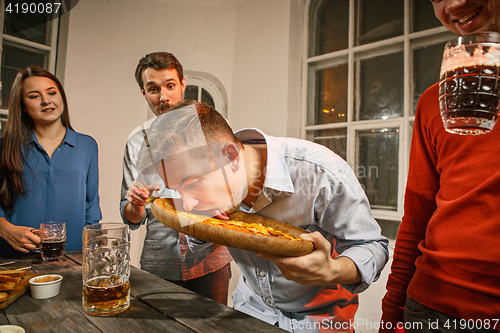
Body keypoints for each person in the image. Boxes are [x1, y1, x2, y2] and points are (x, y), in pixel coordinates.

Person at [135, 100, 389, 332]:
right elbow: (197, 246)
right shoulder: (204, 188)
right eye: (178, 188)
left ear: (231, 157)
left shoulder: (321, 172)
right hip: (248, 311)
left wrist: (333, 270)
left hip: (321, 321)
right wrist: (203, 227)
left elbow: (372, 246)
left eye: (191, 184)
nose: (187, 204)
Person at [380, 1, 500, 332]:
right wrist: (391, 312)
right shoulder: (435, 101)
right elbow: (417, 214)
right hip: (431, 309)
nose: (454, 4)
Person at [120, 52, 232, 305]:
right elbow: (131, 218)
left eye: (170, 86)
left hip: (210, 260)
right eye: (153, 89)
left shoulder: (213, 128)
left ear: (183, 84)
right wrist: (136, 203)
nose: (163, 97)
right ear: (143, 92)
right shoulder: (136, 141)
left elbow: (233, 192)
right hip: (159, 263)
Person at [0, 65, 101, 258]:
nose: (46, 101)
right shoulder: (5, 147)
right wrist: (4, 229)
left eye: (51, 93)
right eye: (34, 96)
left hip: (72, 260)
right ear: (22, 104)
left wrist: (91, 255)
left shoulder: (87, 146)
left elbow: (91, 209)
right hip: (14, 260)